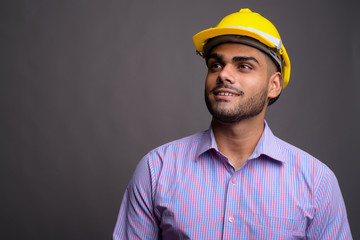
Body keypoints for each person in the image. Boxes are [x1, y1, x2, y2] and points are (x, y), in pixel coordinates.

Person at [113, 8, 352, 239]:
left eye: (244, 66)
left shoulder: (317, 183)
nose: (224, 74)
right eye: (216, 65)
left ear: (274, 85)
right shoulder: (156, 170)